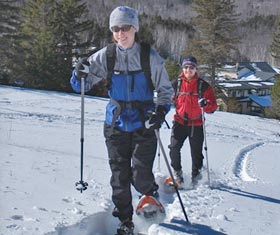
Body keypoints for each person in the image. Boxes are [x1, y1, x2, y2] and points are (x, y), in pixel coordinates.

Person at [70, 6, 173, 235]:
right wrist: (79, 74)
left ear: (134, 29)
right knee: (119, 176)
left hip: (144, 123)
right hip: (115, 123)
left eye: (125, 28)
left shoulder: (149, 57)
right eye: (115, 29)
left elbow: (165, 91)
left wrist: (160, 111)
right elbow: (80, 86)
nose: (120, 33)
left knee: (140, 172)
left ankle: (149, 194)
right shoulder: (106, 56)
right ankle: (125, 220)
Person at [169, 56, 217, 187]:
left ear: (196, 69)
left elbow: (213, 107)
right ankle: (178, 174)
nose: (188, 70)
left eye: (191, 67)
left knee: (196, 154)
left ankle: (196, 179)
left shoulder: (203, 86)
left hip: (196, 124)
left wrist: (206, 104)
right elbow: (165, 98)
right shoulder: (176, 84)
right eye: (185, 67)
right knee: (174, 149)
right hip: (179, 122)